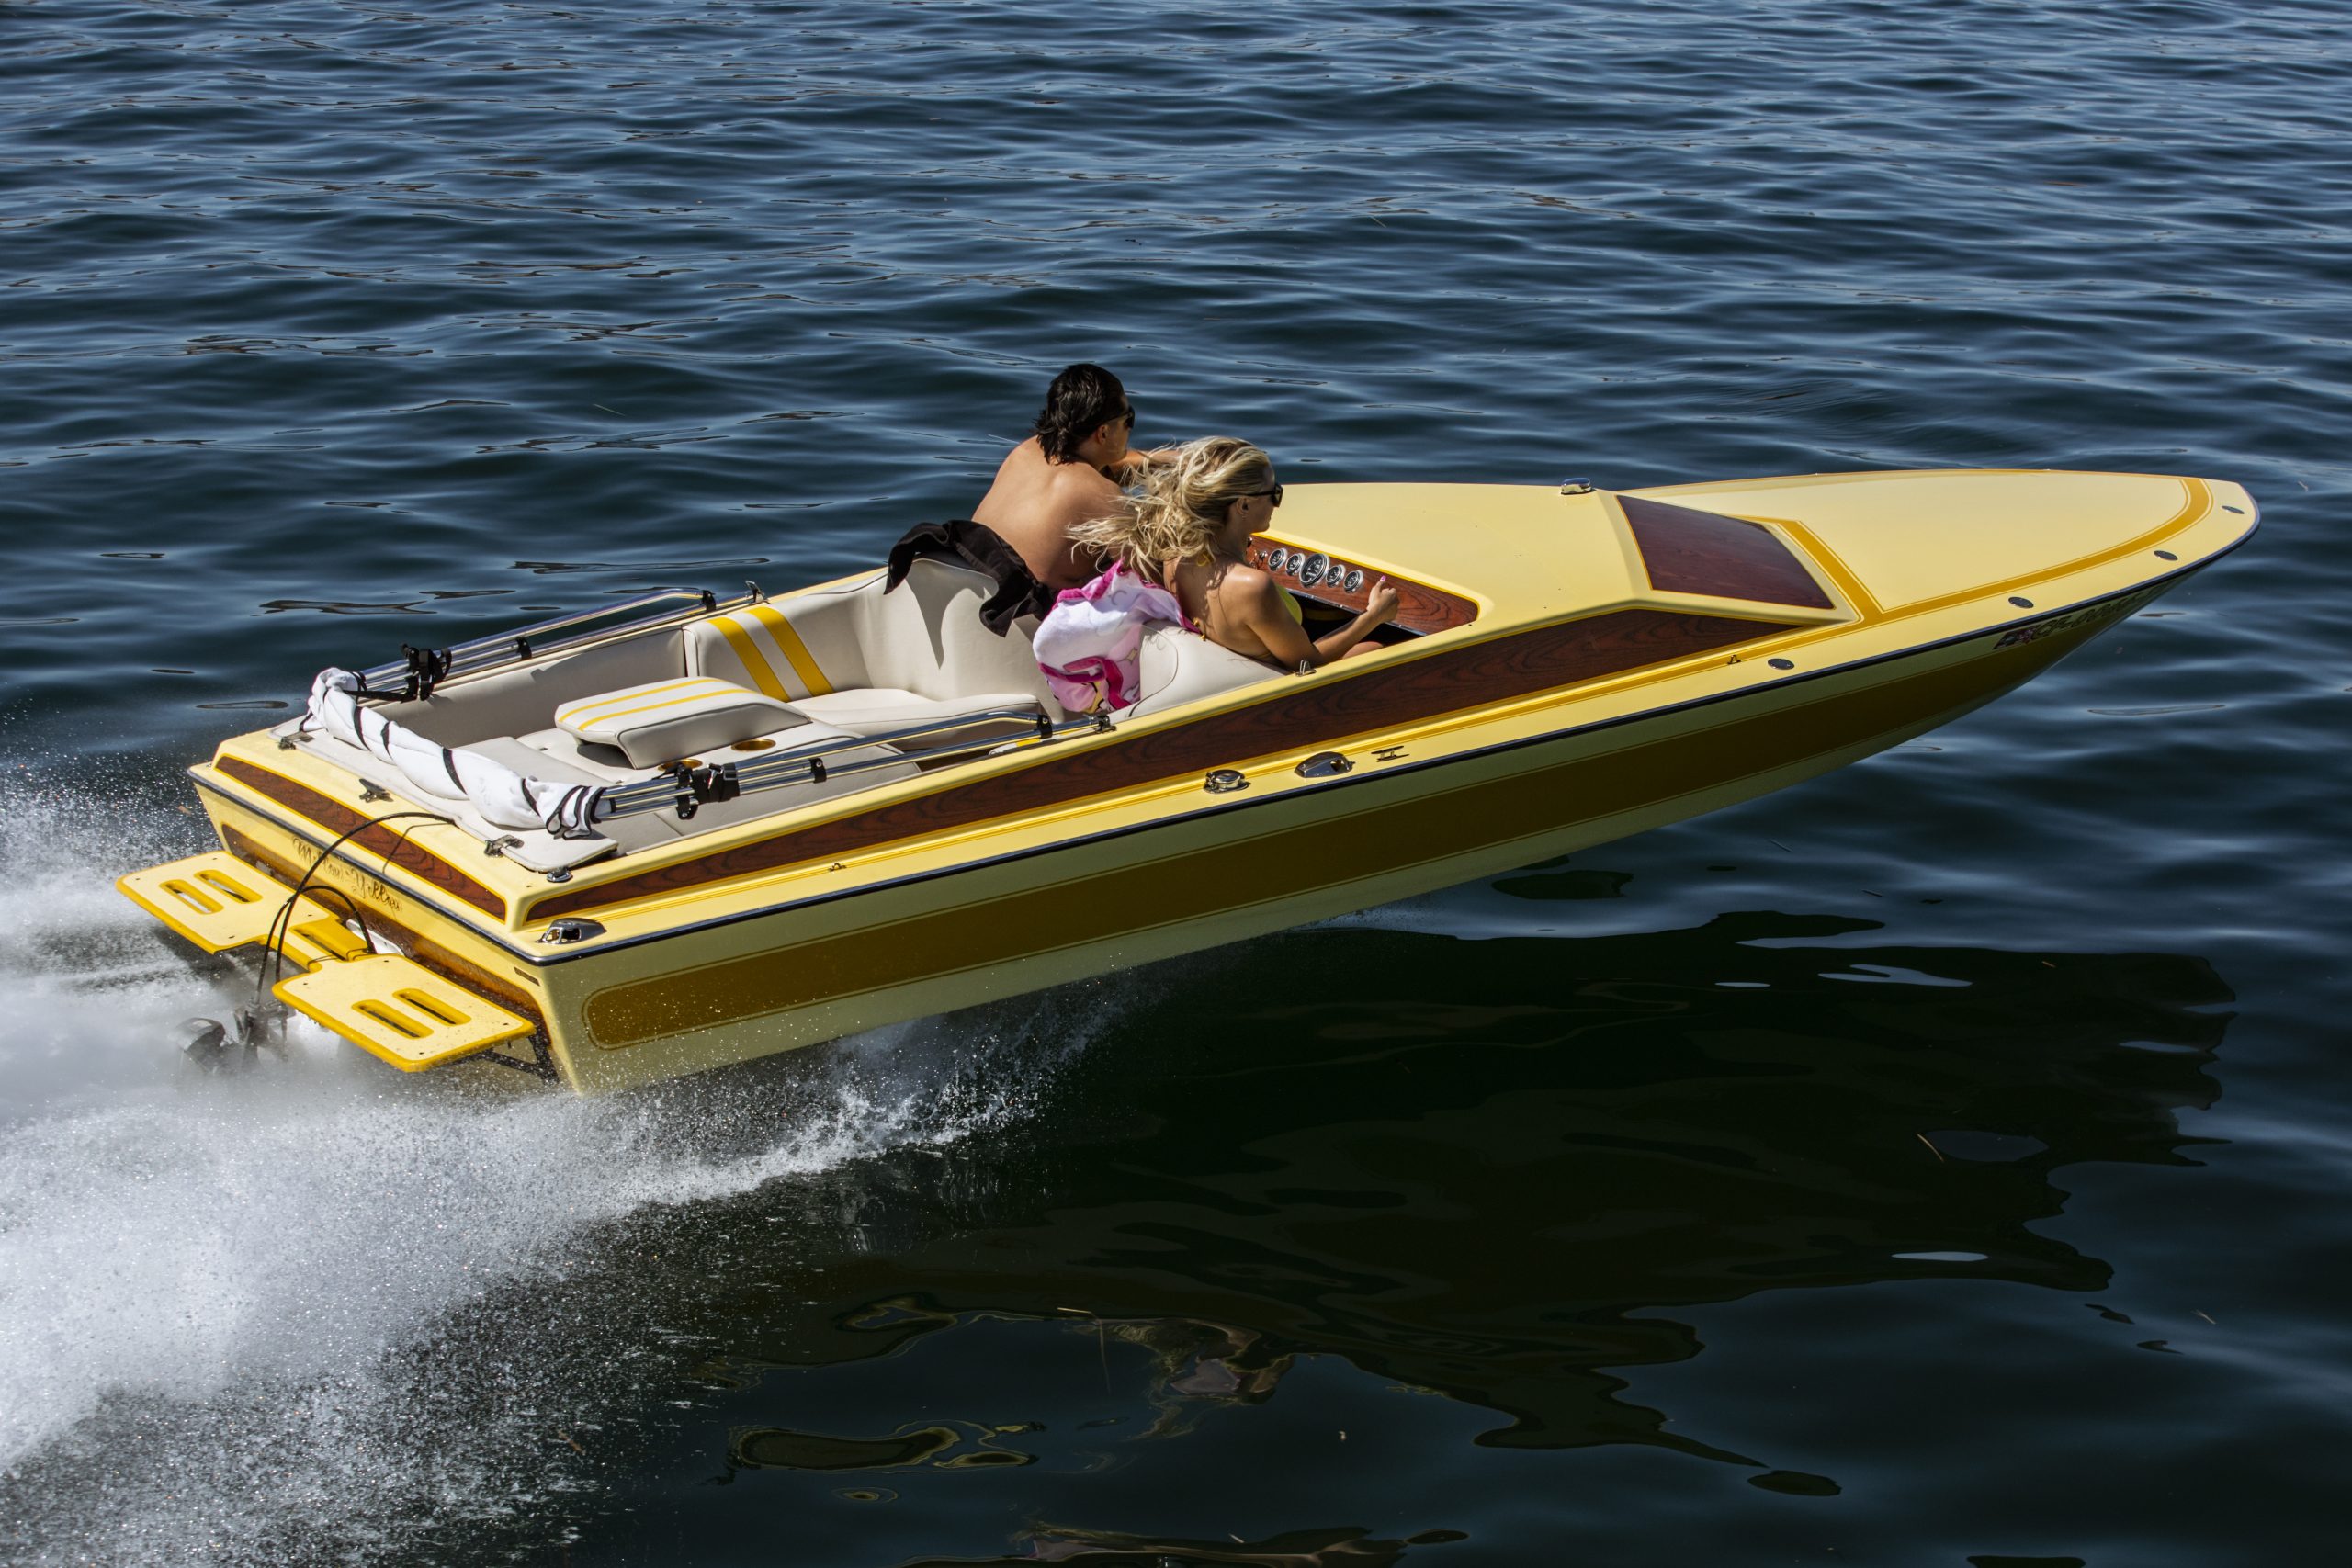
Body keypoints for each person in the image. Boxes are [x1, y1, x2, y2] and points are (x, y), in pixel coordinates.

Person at [1073, 435, 1399, 671]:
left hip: (1231, 661)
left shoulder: (1176, 556)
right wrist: (1374, 615)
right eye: (1274, 493)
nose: (1277, 503)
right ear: (1242, 505)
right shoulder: (1250, 586)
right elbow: (1307, 662)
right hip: (1275, 680)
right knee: (1376, 647)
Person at [972, 363, 1158, 591]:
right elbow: (1147, 576)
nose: (1130, 428)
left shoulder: (1026, 451)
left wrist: (1168, 460)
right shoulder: (1101, 493)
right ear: (1103, 432)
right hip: (1020, 605)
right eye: (1128, 419)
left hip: (969, 573)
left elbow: (1092, 469)